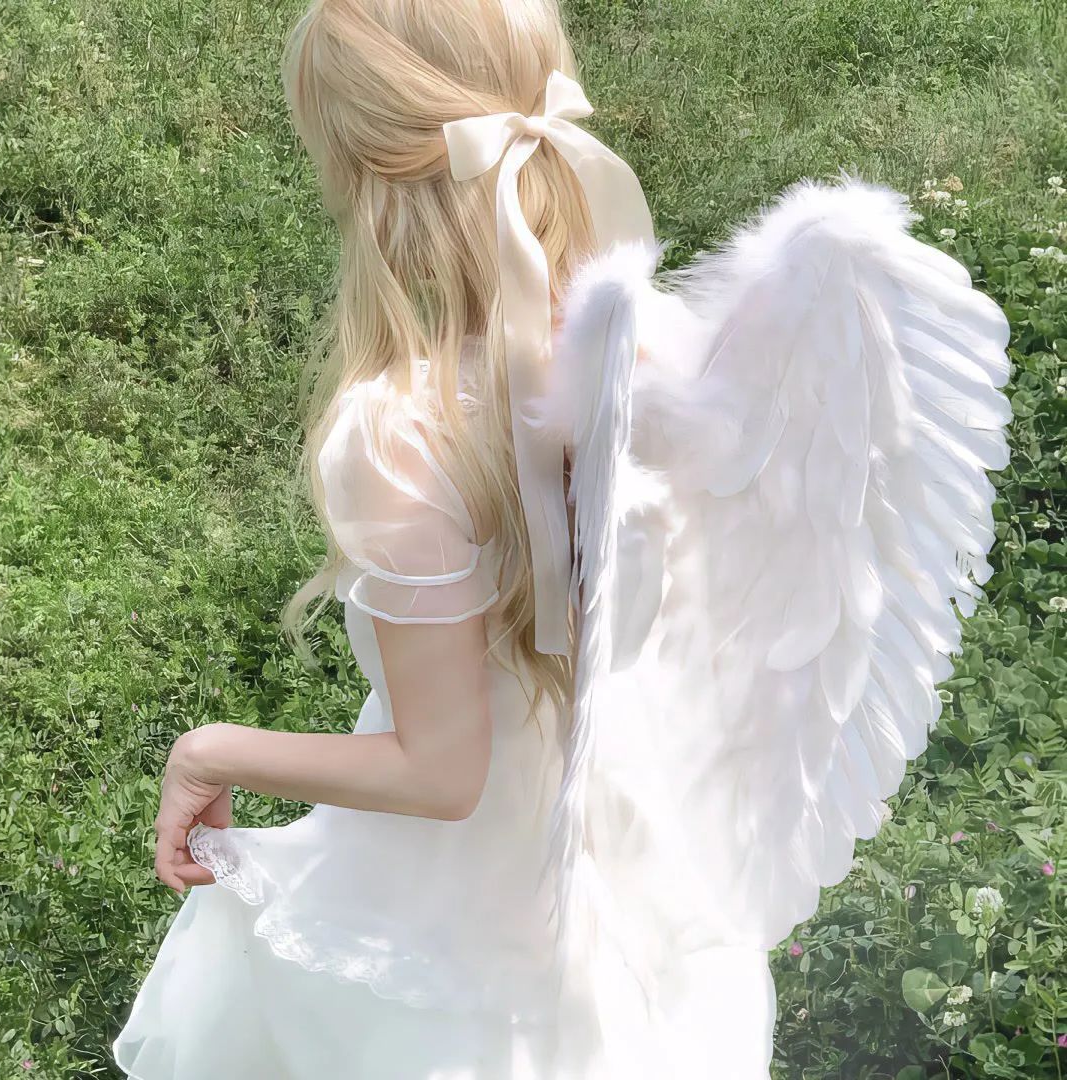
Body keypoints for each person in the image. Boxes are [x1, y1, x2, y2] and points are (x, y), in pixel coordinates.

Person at [113, 1, 1012, 1077]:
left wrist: (208, 751)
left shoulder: (402, 437)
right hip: (624, 875)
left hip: (456, 926)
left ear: (362, 171)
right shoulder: (652, 361)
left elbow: (441, 772)